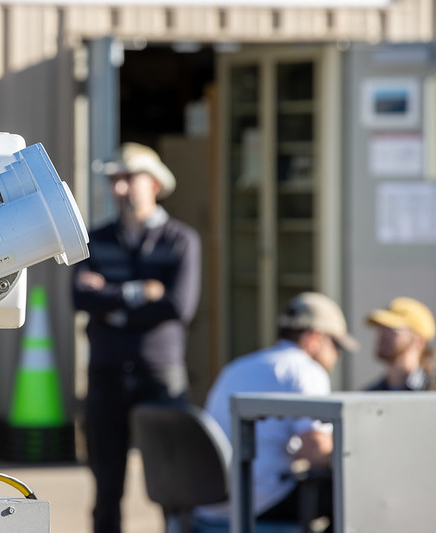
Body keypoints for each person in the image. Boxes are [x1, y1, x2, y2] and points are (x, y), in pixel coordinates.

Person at [72, 142, 201, 533]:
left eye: (128, 179)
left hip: (159, 373)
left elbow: (179, 306)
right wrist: (139, 292)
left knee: (171, 479)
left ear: (155, 185)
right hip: (107, 372)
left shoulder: (180, 240)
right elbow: (79, 296)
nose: (120, 189)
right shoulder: (96, 238)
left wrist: (109, 301)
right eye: (115, 180)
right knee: (106, 484)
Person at [199, 292, 359, 527]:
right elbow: (315, 450)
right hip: (258, 502)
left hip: (209, 501)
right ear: (314, 339)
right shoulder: (305, 370)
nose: (336, 356)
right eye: (336, 346)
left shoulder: (236, 367)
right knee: (356, 489)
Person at [364, 297, 435, 391]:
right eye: (381, 328)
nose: (382, 335)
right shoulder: (370, 395)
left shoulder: (431, 390)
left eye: (392, 329)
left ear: (418, 341)